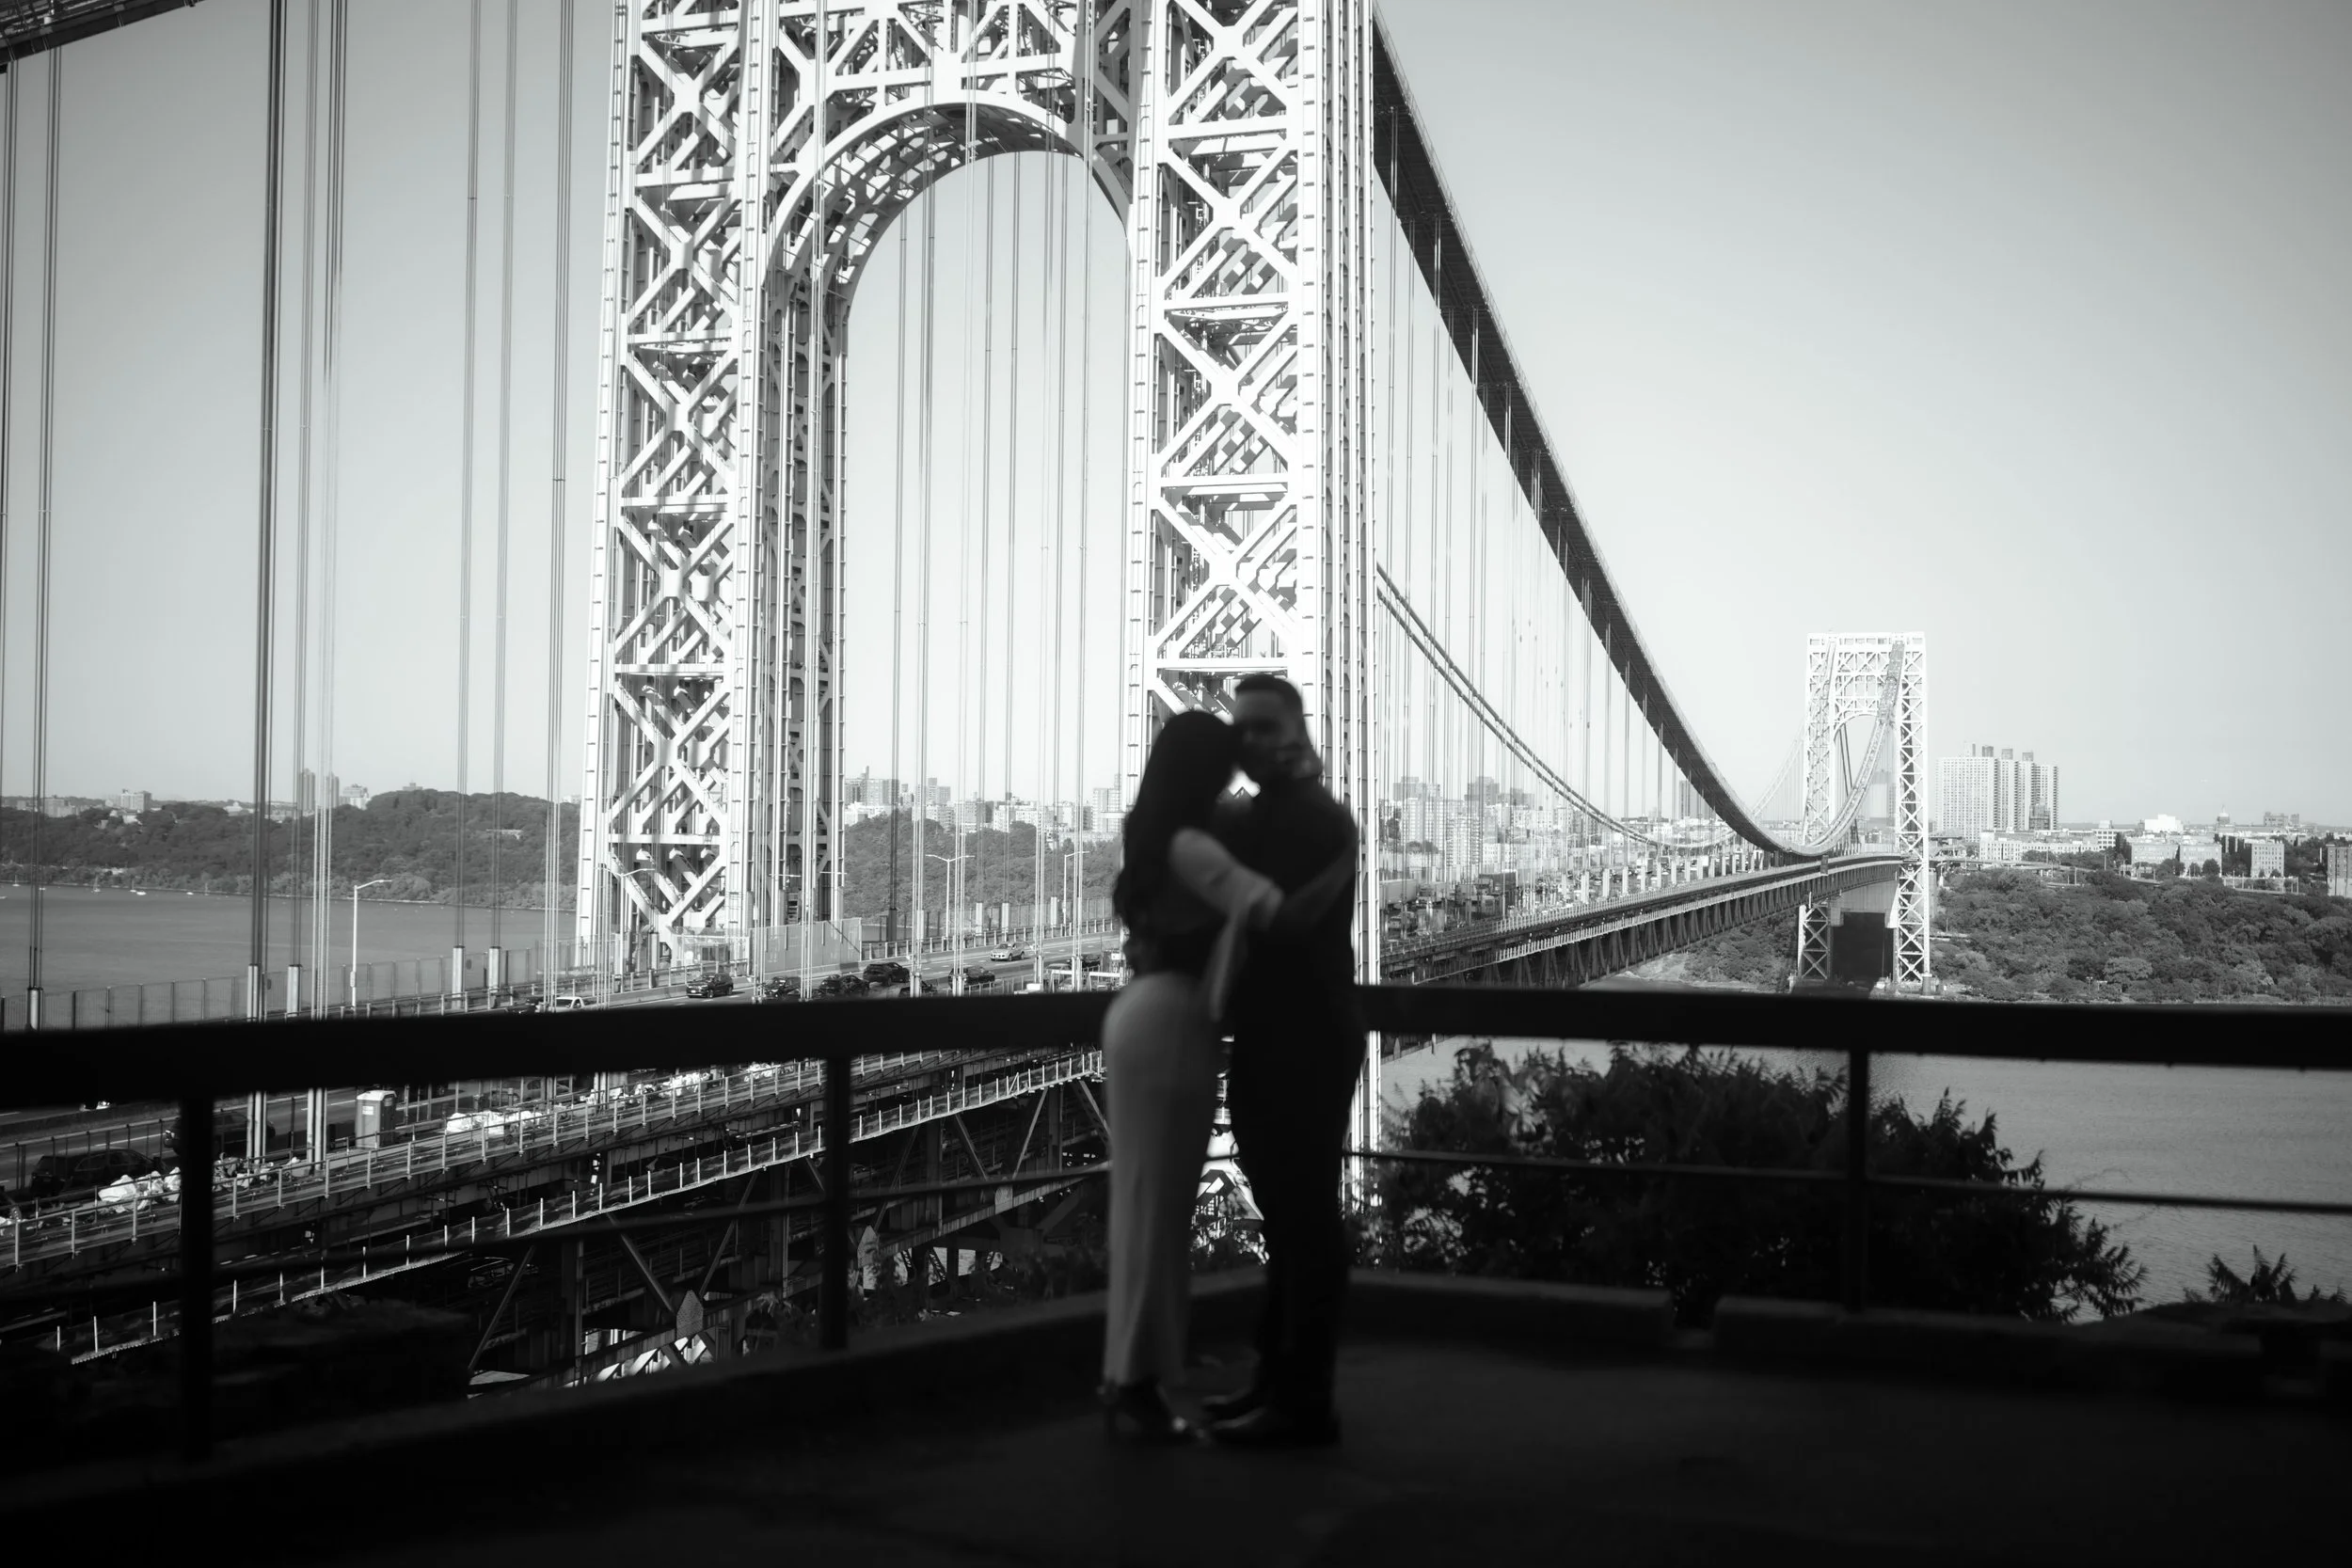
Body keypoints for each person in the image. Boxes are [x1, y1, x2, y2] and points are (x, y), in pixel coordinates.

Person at [1097, 709, 1352, 1445]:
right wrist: (1342, 856)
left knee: (1142, 1207)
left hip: (1143, 1017)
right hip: (1174, 1026)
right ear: (1206, 772)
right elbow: (1283, 915)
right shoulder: (1196, 848)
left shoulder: (1154, 835)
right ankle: (1138, 1385)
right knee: (1159, 1215)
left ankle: (1127, 1378)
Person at [1201, 673, 1364, 1449]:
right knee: (1287, 1215)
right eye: (1243, 728)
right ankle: (1276, 1383)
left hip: (1312, 1033)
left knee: (1304, 1218)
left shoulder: (1318, 818)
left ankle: (1304, 1401)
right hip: (1268, 1032)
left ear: (1298, 731)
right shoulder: (1257, 816)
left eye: (1268, 725)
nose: (1254, 740)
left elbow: (1288, 924)